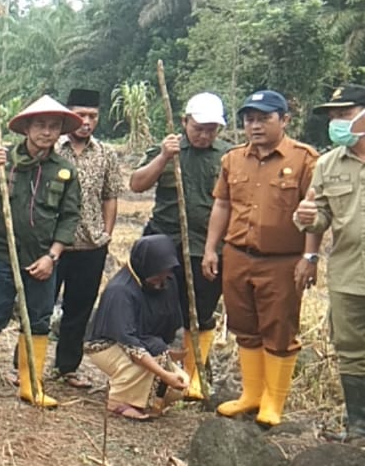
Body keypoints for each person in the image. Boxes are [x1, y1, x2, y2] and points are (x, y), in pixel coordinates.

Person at [203, 90, 320, 427]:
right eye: (249, 119)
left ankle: (273, 401)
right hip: (238, 255)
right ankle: (251, 394)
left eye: (264, 118)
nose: (254, 126)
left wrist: (309, 256)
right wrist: (212, 248)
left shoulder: (305, 160)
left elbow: (316, 213)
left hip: (282, 260)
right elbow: (222, 205)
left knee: (279, 328)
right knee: (244, 325)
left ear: (284, 120)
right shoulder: (233, 159)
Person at [0, 95, 82, 408]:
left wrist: (52, 257)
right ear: (26, 128)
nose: (47, 132)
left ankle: (31, 385)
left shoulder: (65, 170)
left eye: (54, 127)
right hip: (0, 252)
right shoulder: (3, 159)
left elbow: (70, 218)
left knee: (39, 320)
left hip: (41, 258)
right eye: (40, 125)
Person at [129, 92, 229, 400]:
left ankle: (194, 377)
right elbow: (136, 184)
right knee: (154, 307)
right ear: (185, 121)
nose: (204, 134)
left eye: (211, 129)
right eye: (198, 127)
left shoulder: (229, 157)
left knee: (200, 312)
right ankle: (153, 370)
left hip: (207, 248)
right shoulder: (167, 148)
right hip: (163, 244)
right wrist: (162, 158)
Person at [295, 83, 365, 444]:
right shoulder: (327, 164)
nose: (336, 122)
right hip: (349, 275)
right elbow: (319, 216)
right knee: (351, 351)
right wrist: (307, 216)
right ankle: (358, 426)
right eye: (332, 116)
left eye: (345, 114)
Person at [47, 88, 121, 389]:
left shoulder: (106, 154)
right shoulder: (52, 149)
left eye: (92, 116)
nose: (86, 121)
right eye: (80, 115)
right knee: (41, 305)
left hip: (90, 246)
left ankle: (67, 367)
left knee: (78, 309)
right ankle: (23, 365)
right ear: (68, 114)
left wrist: (106, 234)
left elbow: (110, 196)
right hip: (52, 244)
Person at [84, 235, 191, 421]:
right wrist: (164, 374)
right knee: (142, 364)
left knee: (181, 382)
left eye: (166, 271)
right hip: (107, 345)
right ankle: (119, 401)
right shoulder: (120, 291)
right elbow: (131, 346)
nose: (163, 277)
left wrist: (167, 355)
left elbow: (170, 323)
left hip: (145, 341)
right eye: (158, 272)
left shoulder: (167, 282)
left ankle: (146, 399)